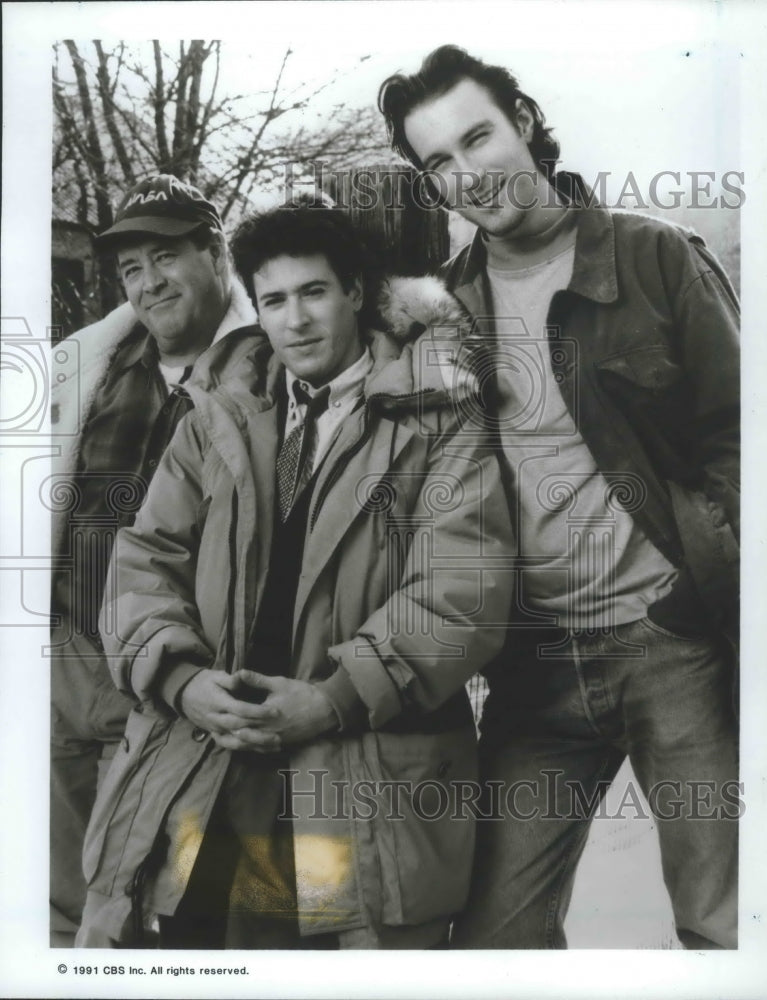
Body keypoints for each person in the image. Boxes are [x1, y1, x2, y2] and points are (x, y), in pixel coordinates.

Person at [378, 45, 740, 949]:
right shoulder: (446, 308)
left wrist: (698, 583)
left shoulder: (652, 254)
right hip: (534, 667)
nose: (468, 174)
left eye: (479, 137)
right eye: (439, 163)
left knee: (724, 924)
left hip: (673, 643)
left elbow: (744, 433)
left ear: (526, 122)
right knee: (498, 937)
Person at [76, 203, 513, 949]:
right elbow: (144, 561)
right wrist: (182, 681)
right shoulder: (216, 411)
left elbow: (461, 593)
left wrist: (335, 698)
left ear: (354, 293)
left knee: (326, 960)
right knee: (188, 952)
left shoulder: (439, 416)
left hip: (350, 770)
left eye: (313, 293)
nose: (295, 320)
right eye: (274, 300)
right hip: (208, 761)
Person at [49, 174, 262, 946]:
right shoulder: (93, 364)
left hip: (164, 675)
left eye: (164, 257)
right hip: (64, 654)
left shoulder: (265, 370)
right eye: (131, 268)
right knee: (54, 891)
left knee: (134, 898)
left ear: (215, 253)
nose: (146, 283)